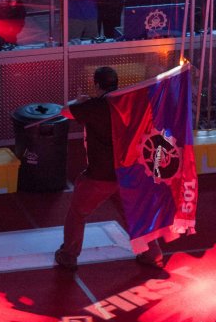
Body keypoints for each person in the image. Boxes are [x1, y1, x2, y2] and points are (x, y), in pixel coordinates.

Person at [54, 66, 164, 271]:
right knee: (134, 215)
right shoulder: (127, 103)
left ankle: (69, 255)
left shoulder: (95, 107)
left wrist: (79, 101)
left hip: (100, 175)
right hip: (127, 173)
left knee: (77, 213)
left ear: (97, 85)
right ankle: (152, 253)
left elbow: (65, 111)